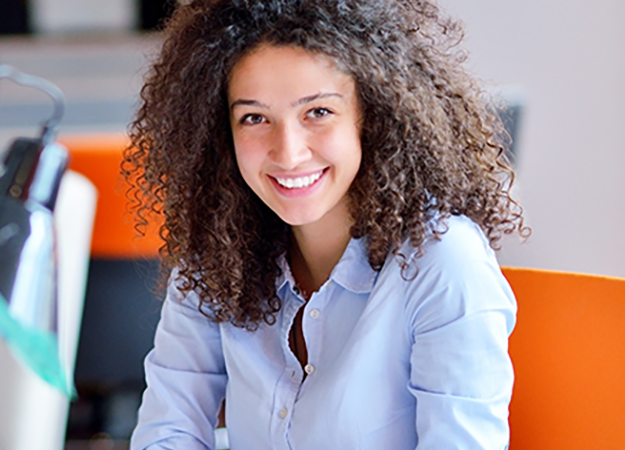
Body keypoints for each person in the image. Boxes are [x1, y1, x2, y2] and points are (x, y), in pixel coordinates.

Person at [123, 0, 528, 448]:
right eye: (254, 118)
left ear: (370, 116)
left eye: (317, 112)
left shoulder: (442, 261)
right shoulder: (216, 256)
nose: (288, 152)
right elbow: (169, 429)